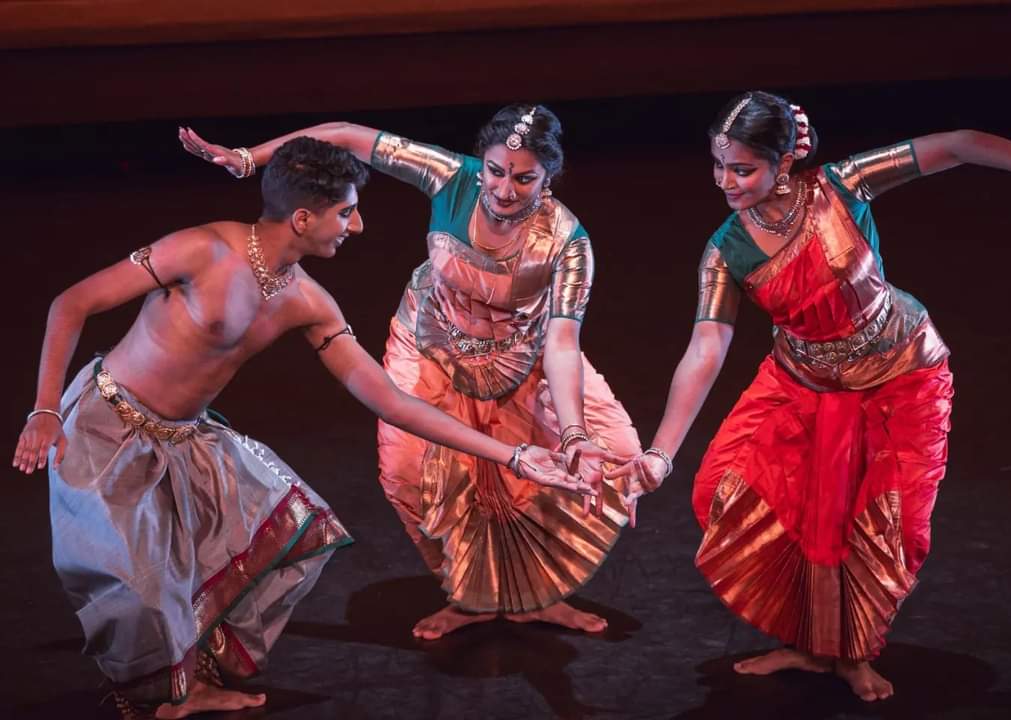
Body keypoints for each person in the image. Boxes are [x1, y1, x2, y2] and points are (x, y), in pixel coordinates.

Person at [12, 137, 588, 719]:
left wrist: (511, 456)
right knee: (141, 587)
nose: (357, 226)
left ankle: (191, 685)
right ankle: (155, 697)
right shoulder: (201, 250)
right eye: (347, 211)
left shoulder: (307, 301)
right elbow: (71, 303)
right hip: (106, 425)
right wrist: (44, 410)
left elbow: (388, 400)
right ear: (305, 217)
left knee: (288, 532)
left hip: (186, 440)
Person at [608, 90, 1011, 702]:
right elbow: (705, 349)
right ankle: (808, 644)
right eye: (719, 166)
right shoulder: (726, 249)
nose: (726, 181)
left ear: (785, 162)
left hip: (901, 378)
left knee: (884, 525)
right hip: (801, 385)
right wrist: (660, 454)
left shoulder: (841, 187)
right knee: (744, 495)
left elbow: (958, 144)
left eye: (743, 168)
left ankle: (853, 653)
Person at [179, 103, 642, 641]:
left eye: (524, 178)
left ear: (550, 177)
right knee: (412, 472)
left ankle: (534, 597)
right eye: (495, 170)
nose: (504, 189)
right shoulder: (451, 176)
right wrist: (246, 157)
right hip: (431, 342)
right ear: (480, 162)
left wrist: (574, 433)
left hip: (524, 356)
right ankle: (469, 596)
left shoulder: (567, 242)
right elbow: (346, 134)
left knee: (607, 457)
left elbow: (562, 340)